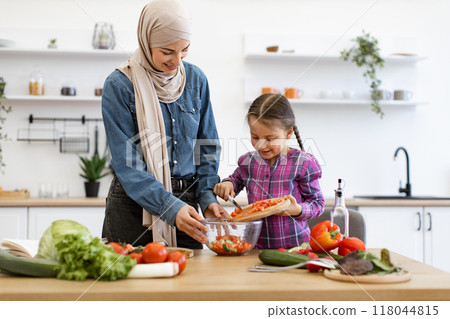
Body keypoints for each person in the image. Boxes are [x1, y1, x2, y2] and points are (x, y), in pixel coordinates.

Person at [101, 0, 227, 249]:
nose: (177, 61)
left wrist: (207, 196)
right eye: (167, 52)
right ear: (145, 43)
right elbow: (128, 166)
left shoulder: (196, 79)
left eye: (185, 50)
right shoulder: (119, 85)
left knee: (189, 284)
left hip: (188, 207)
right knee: (129, 285)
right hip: (132, 210)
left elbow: (206, 147)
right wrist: (170, 207)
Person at [214, 93, 325, 249]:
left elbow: (318, 204)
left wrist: (297, 210)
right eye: (255, 137)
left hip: (295, 248)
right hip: (254, 247)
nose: (261, 145)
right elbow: (235, 180)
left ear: (288, 133)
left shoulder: (304, 163)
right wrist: (227, 184)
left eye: (270, 139)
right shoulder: (248, 162)